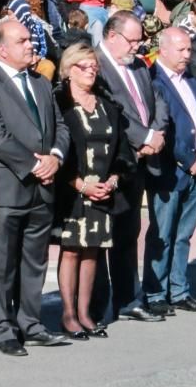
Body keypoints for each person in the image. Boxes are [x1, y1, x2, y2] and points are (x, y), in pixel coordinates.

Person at [0, 19, 70, 356]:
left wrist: (56, 157)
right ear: (2, 49)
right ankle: (2, 329)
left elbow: (60, 126)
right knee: (2, 263)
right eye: (22, 40)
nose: (31, 44)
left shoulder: (41, 83)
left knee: (35, 260)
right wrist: (34, 164)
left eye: (30, 39)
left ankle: (31, 323)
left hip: (43, 188)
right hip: (8, 188)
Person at [52, 44, 134, 338]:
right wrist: (80, 185)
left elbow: (123, 153)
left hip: (103, 190)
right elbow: (56, 150)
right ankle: (68, 314)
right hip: (73, 191)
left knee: (92, 253)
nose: (90, 72)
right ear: (68, 70)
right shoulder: (59, 104)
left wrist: (112, 180)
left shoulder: (106, 105)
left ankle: (86, 313)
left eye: (93, 67)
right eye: (83, 67)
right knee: (72, 251)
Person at [94, 11, 168, 322]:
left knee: (128, 233)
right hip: (112, 163)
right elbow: (114, 111)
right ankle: (96, 305)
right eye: (132, 40)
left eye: (140, 40)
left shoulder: (138, 65)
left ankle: (127, 298)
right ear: (112, 36)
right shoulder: (95, 65)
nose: (137, 47)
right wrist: (144, 137)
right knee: (101, 238)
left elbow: (157, 99)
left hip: (141, 161)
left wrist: (157, 133)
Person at [142, 28, 196, 315]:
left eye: (189, 50)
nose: (188, 55)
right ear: (164, 50)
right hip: (171, 169)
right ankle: (155, 291)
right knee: (163, 233)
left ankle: (179, 289)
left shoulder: (191, 80)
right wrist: (187, 158)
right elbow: (165, 129)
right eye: (182, 50)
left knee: (184, 233)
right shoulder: (154, 81)